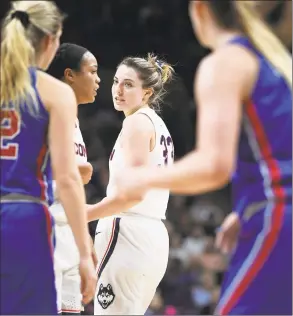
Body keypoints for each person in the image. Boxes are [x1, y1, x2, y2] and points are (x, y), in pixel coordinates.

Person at [115, 1, 292, 315]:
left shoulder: (226, 63)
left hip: (280, 216)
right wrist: (245, 207)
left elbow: (213, 165)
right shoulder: (275, 63)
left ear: (198, 9)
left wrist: (138, 178)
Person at [0, 2, 97, 315]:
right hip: (25, 216)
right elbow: (68, 179)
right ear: (51, 41)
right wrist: (85, 253)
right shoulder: (54, 92)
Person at [86, 54, 174, 315]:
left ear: (146, 93)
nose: (118, 90)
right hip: (152, 235)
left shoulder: (136, 123)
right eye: (116, 82)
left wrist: (82, 214)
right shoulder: (159, 126)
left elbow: (132, 195)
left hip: (128, 231)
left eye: (128, 84)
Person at [47, 43, 100, 315]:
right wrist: (68, 170)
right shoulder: (46, 110)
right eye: (92, 71)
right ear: (70, 75)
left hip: (69, 231)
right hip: (47, 228)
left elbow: (75, 189)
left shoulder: (74, 119)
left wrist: (86, 241)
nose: (98, 79)